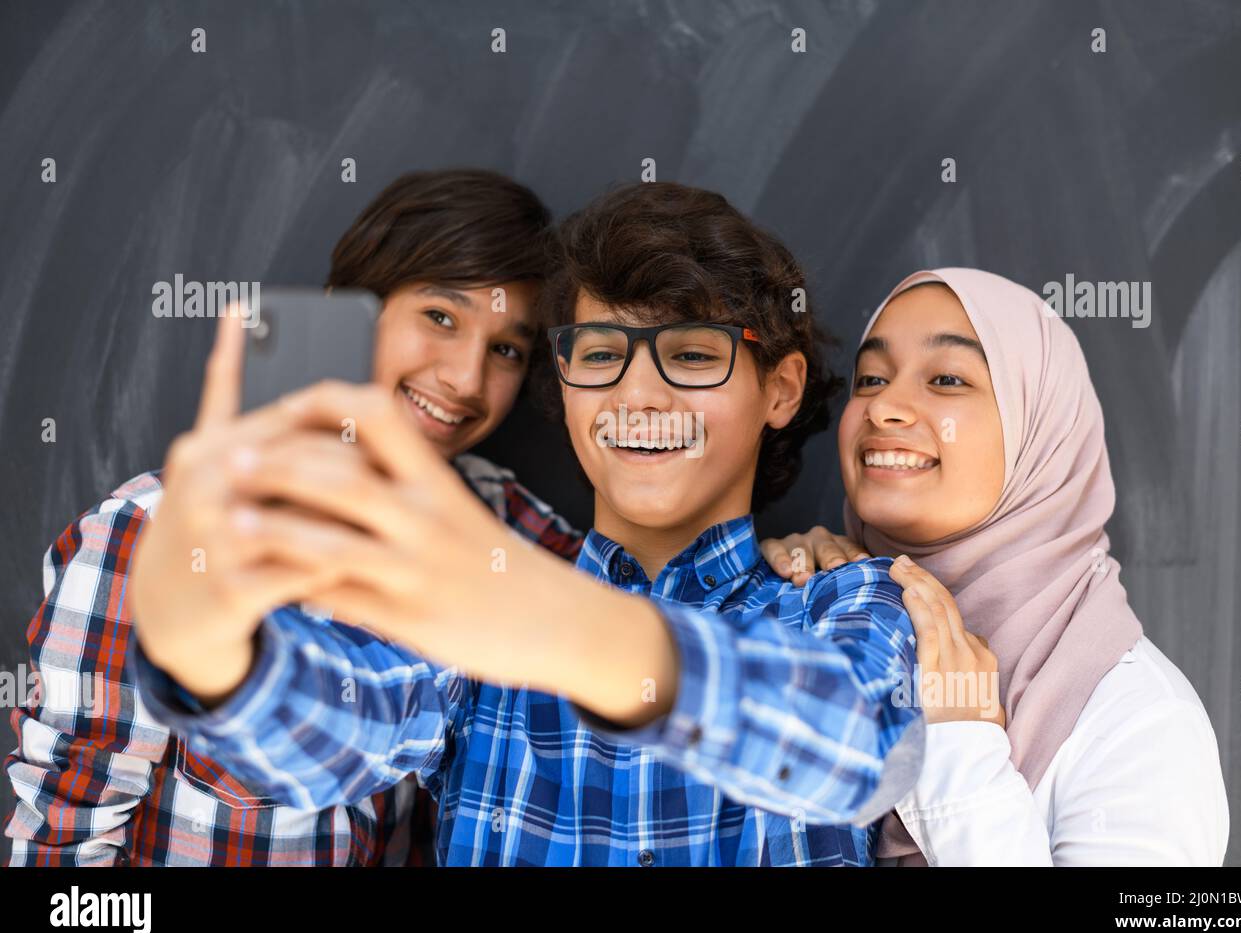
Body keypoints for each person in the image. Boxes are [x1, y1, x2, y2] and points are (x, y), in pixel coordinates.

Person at [124, 182, 925, 866]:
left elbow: (864, 749)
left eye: (689, 355)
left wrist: (569, 632)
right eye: (601, 353)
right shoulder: (476, 616)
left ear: (781, 390)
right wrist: (206, 651)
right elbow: (342, 722)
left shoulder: (842, 599)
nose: (636, 397)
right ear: (565, 383)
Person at [4, 169, 583, 866]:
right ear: (351, 308)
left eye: (506, 350)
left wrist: (752, 566)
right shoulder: (153, 531)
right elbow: (63, 854)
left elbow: (637, 604)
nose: (464, 378)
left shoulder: (498, 526)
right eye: (440, 317)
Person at [763, 268, 1230, 865]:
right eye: (871, 377)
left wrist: (960, 741)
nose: (884, 406)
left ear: (1041, 427)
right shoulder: (820, 613)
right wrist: (787, 591)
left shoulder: (1141, 722)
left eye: (947, 379)